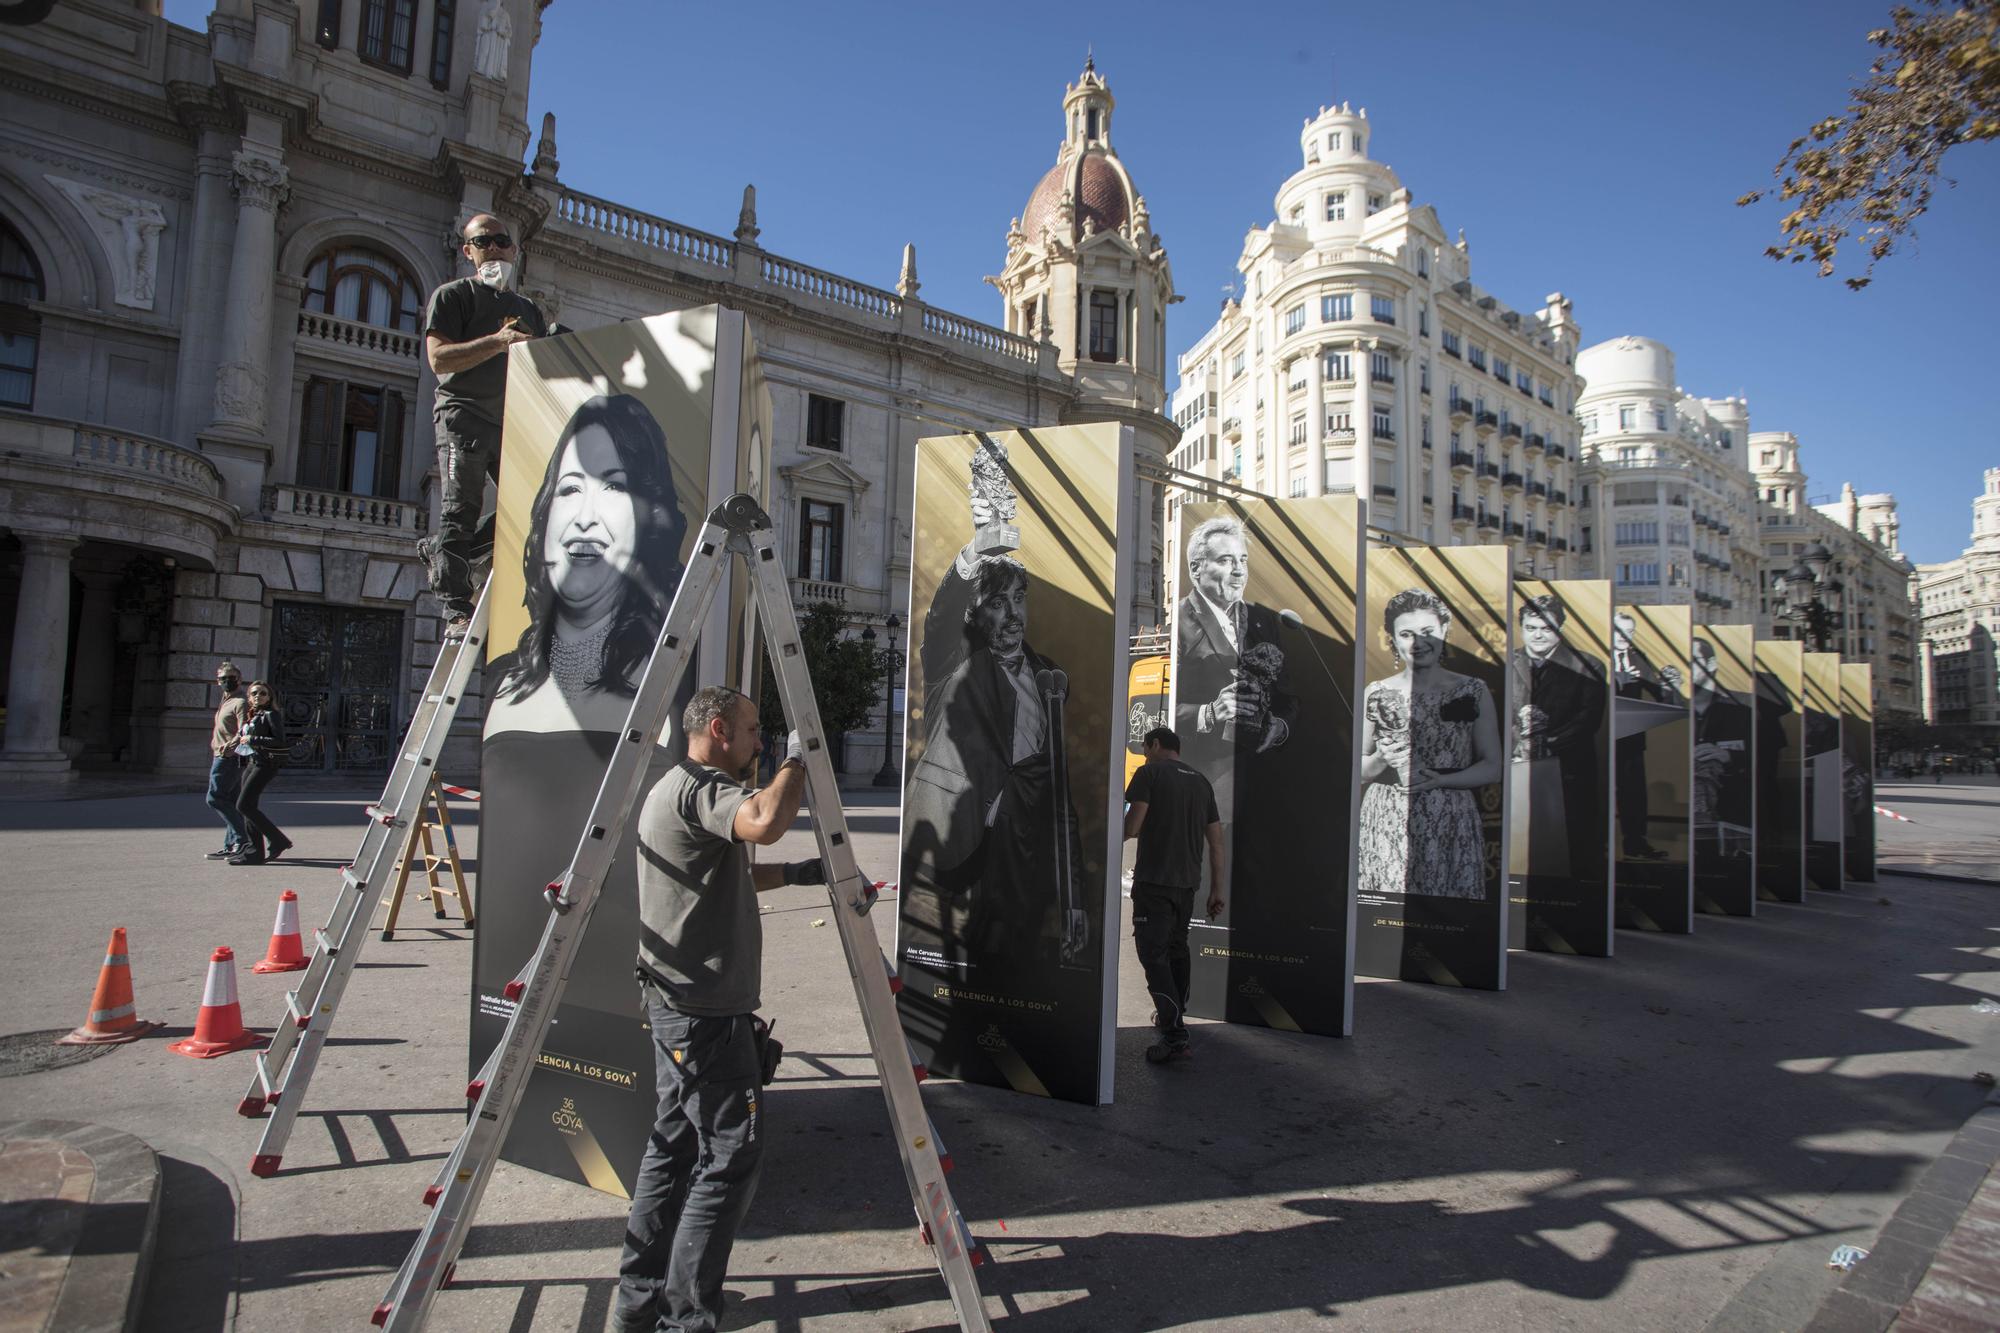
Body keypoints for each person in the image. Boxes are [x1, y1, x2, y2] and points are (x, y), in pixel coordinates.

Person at [478, 393, 689, 1022]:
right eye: (570, 489)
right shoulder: (499, 678)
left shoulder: (673, 677)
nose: (585, 516)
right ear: (544, 515)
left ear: (650, 516)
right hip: (508, 992)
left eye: (613, 486)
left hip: (625, 999)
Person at [615, 686, 817, 1333]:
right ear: (722, 729)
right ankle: (686, 1318)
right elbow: (761, 820)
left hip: (678, 1002)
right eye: (756, 731)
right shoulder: (700, 785)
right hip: (704, 1012)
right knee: (732, 1152)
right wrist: (801, 755)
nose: (760, 743)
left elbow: (727, 867)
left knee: (672, 1147)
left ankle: (637, 1302)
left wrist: (802, 875)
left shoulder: (671, 789)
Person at [901, 506, 1090, 976]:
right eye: (998, 601)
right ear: (974, 611)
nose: (1013, 614)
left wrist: (1074, 899)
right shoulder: (954, 662)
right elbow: (942, 615)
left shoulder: (1049, 675)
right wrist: (974, 551)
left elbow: (1058, 789)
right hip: (953, 848)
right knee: (952, 975)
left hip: (1023, 857)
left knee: (1012, 976)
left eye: (1019, 598)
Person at [418, 212, 549, 637]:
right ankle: (456, 606)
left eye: (501, 240)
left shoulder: (527, 309)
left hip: (510, 423)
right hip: (462, 416)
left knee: (538, 509)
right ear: (468, 251)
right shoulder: (452, 295)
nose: (493, 248)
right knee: (460, 508)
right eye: (483, 242)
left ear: (514, 249)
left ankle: (442, 553)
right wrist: (498, 342)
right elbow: (438, 360)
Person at [1357, 588, 1503, 899]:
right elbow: (1357, 770)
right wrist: (1382, 757)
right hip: (1386, 817)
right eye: (1406, 634)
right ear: (1392, 638)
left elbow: (1492, 767)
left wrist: (1444, 780)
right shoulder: (1376, 692)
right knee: (1386, 914)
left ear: (1444, 631)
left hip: (1451, 815)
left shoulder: (1472, 690)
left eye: (1427, 632)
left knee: (1448, 919)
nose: (1418, 643)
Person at [1122, 727, 1223, 1064]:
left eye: (1144, 747)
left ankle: (1174, 1035)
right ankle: (1175, 1016)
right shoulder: (1201, 781)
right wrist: (1217, 889)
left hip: (1154, 883)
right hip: (1187, 885)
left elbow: (1133, 825)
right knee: (1178, 950)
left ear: (1155, 744)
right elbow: (1216, 842)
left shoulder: (1148, 773)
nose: (1144, 753)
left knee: (1153, 955)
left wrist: (1107, 839)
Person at [1508, 595, 1606, 884]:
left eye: (1546, 628)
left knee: (1570, 849)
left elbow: (1588, 720)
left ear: (1560, 628)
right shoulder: (1506, 661)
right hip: (1515, 770)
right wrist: (1518, 746)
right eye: (1530, 627)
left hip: (1567, 771)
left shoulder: (1588, 665)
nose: (1537, 634)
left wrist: (1545, 746)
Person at [1611, 610, 1684, 860]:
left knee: (1633, 793)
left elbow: (1660, 694)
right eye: (1620, 631)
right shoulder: (1596, 657)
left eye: (1630, 632)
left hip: (1631, 738)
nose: (1624, 637)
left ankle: (1636, 843)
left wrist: (1670, 685)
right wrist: (1615, 680)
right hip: (1600, 737)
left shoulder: (1637, 658)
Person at [229, 681, 291, 865]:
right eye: (254, 693)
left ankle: (279, 840)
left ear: (269, 697)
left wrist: (253, 738)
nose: (258, 696)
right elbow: (243, 736)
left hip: (266, 764)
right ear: (249, 697)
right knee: (249, 807)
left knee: (243, 806)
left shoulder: (272, 715)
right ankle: (255, 853)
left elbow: (279, 740)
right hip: (253, 762)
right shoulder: (254, 714)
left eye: (263, 693)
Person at [204, 660, 250, 860]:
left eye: (231, 678)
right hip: (222, 755)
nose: (227, 681)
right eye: (223, 678)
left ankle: (243, 839)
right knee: (231, 800)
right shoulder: (226, 700)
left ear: (239, 680)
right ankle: (232, 845)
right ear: (217, 681)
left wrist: (230, 745)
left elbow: (245, 729)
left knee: (214, 798)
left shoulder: (240, 701)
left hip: (229, 757)